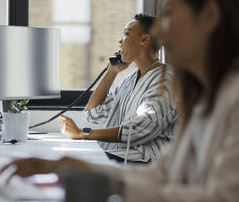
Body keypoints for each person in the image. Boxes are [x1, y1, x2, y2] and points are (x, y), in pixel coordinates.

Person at [0, 0, 239, 200]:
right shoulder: (201, 96)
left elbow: (226, 197)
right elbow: (164, 175)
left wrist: (86, 141)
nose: (159, 31)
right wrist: (76, 170)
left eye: (168, 14)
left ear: (209, 15)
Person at [59, 13, 178, 163]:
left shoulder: (166, 80)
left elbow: (140, 129)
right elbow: (93, 115)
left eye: (126, 33)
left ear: (144, 39)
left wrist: (83, 134)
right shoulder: (130, 81)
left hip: (147, 161)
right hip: (122, 155)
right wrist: (112, 72)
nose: (120, 40)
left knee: (77, 164)